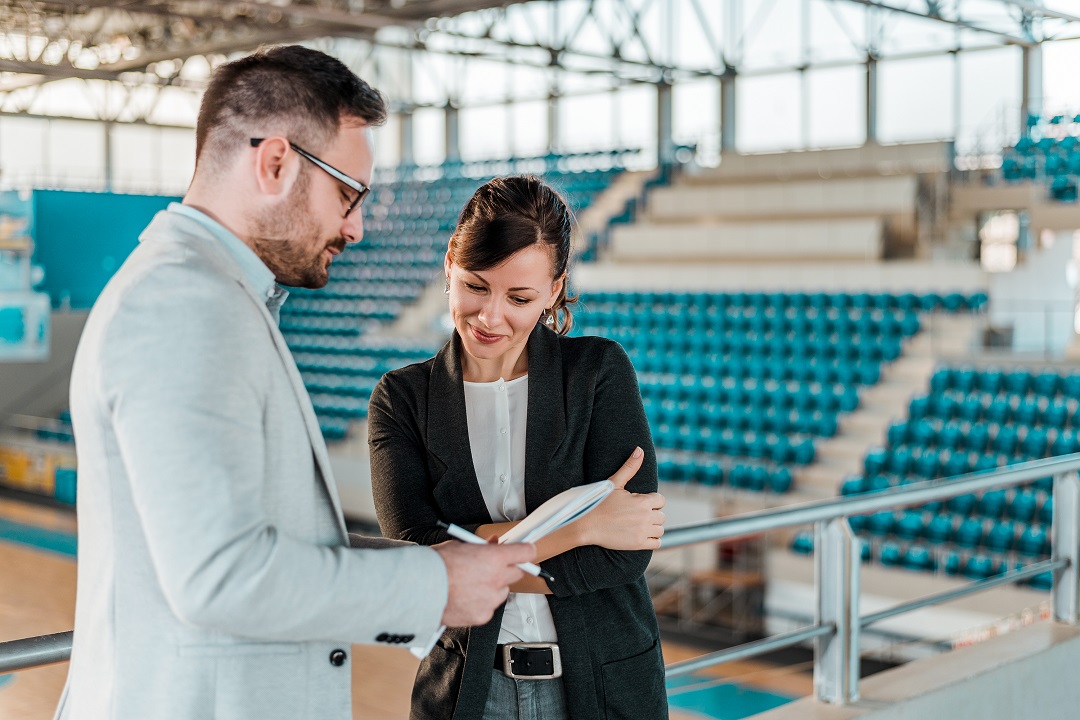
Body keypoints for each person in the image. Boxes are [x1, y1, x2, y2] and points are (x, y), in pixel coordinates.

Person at [57, 45, 535, 720]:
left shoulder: (212, 296)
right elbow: (220, 577)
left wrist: (442, 564)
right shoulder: (184, 305)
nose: (356, 227)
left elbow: (253, 541)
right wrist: (433, 585)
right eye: (348, 193)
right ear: (276, 162)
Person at [369, 174, 669, 720]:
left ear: (554, 290)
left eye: (520, 297)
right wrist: (581, 528)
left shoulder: (597, 372)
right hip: (468, 689)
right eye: (476, 286)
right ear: (449, 267)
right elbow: (418, 556)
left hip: (604, 683)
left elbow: (626, 552)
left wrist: (473, 556)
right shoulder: (402, 398)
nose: (491, 316)